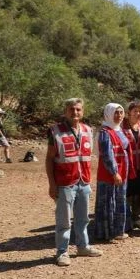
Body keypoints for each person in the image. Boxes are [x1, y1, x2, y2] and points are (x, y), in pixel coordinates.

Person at [46, 98, 102, 266]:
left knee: (83, 218)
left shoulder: (88, 130)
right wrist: (52, 184)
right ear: (65, 111)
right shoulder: (55, 131)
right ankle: (62, 252)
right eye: (71, 109)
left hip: (83, 181)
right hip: (65, 182)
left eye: (78, 109)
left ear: (82, 111)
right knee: (64, 220)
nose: (75, 112)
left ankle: (83, 246)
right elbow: (49, 159)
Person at [94, 103, 132, 242]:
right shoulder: (105, 132)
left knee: (119, 200)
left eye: (121, 112)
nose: (119, 115)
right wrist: (114, 172)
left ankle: (118, 230)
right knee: (108, 202)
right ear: (108, 114)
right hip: (109, 173)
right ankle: (107, 233)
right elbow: (106, 155)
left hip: (122, 170)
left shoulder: (119, 130)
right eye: (116, 112)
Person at [122, 101, 140, 229]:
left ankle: (139, 218)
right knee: (128, 193)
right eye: (135, 111)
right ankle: (127, 219)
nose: (138, 113)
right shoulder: (122, 126)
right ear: (128, 113)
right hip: (128, 166)